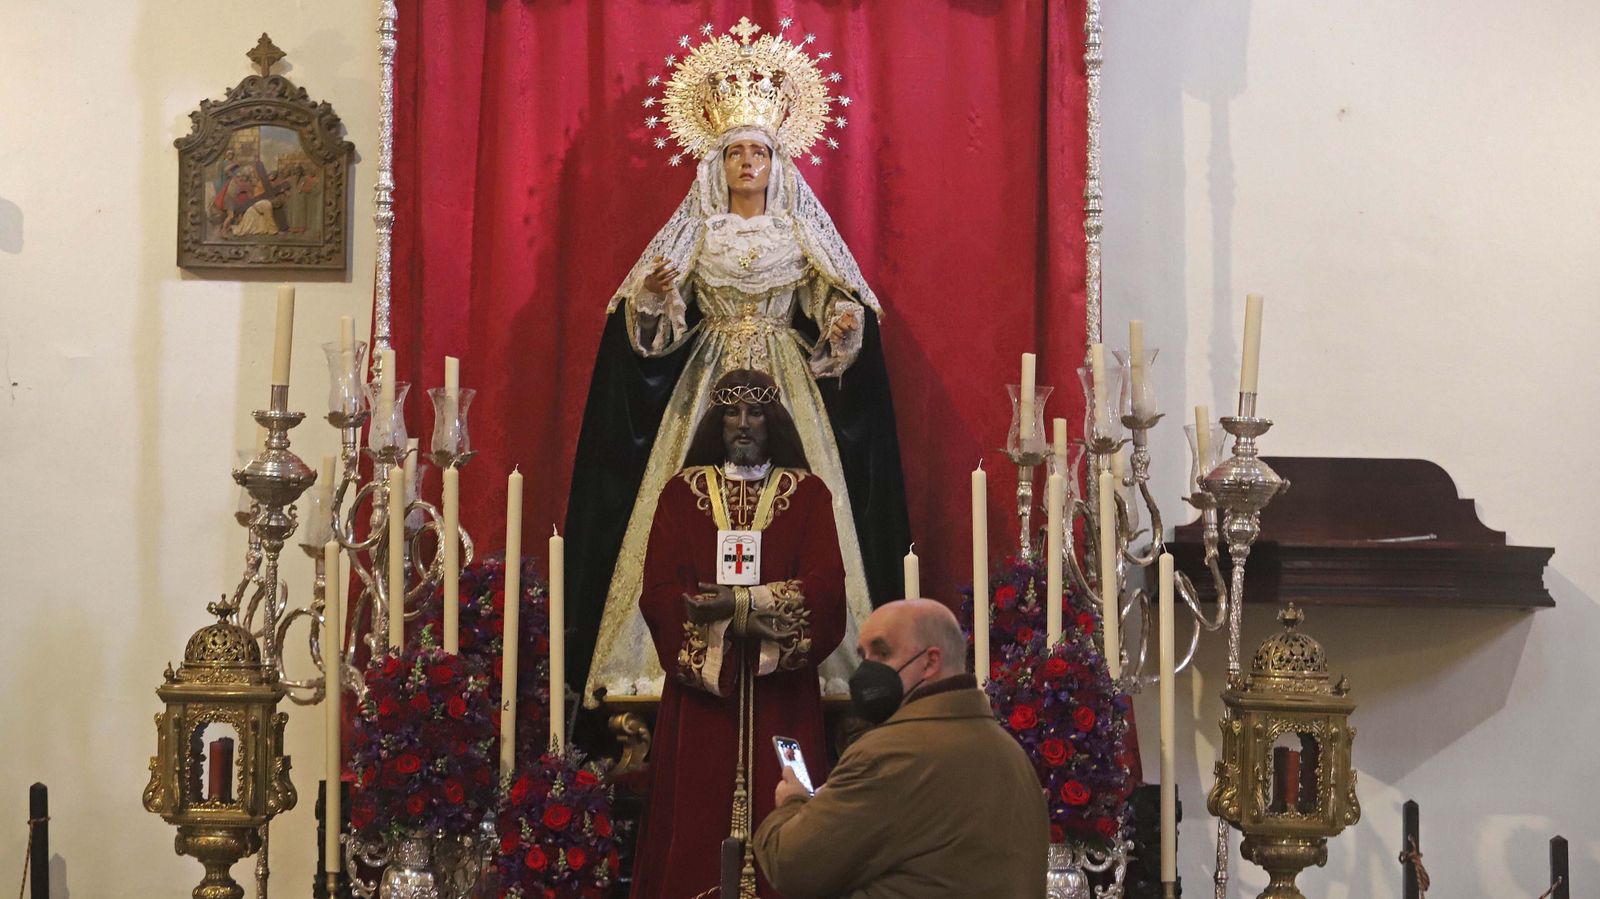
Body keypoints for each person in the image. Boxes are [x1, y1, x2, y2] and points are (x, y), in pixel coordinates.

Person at [569, 19, 909, 707]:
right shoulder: (696, 233)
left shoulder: (799, 232)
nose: (748, 163)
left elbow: (835, 300)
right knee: (689, 496)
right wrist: (655, 299)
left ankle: (826, 669)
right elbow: (653, 333)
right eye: (736, 153)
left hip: (786, 379)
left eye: (758, 151)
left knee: (807, 502)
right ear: (717, 164)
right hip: (709, 379)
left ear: (777, 162)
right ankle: (650, 668)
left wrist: (843, 322)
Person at [631, 369, 846, 899]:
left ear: (773, 422)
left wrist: (745, 604)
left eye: (755, 413)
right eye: (732, 412)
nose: (743, 424)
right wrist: (732, 619)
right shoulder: (682, 495)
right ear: (717, 421)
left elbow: (827, 589)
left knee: (789, 815)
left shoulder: (808, 494)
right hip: (707, 697)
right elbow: (659, 588)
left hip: (782, 697)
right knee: (695, 813)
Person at [752, 599, 1049, 898]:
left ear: (931, 662)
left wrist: (793, 804)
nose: (865, 671)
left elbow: (791, 866)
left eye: (882, 653)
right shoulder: (1011, 753)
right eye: (862, 655)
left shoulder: (889, 753)